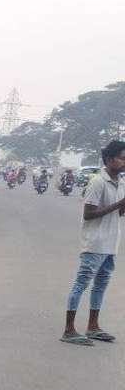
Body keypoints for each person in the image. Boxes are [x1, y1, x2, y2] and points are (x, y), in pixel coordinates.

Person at [61, 140, 125, 345]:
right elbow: (88, 214)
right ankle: (69, 330)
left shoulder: (121, 182)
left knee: (101, 285)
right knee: (82, 283)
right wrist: (119, 203)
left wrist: (122, 206)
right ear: (109, 158)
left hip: (111, 243)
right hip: (95, 243)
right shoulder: (98, 181)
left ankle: (93, 326)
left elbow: (118, 213)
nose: (124, 162)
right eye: (122, 158)